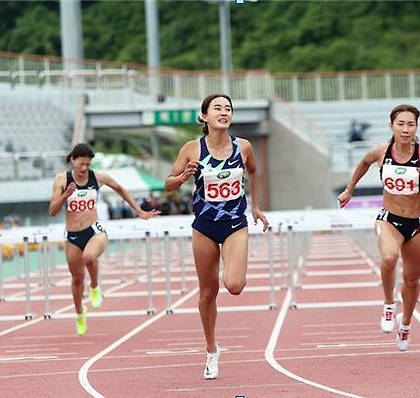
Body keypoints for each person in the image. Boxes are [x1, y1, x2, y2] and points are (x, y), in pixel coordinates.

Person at [165, 94, 269, 379]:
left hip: (236, 223)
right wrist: (185, 176)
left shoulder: (243, 147)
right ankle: (212, 350)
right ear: (204, 117)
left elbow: (255, 172)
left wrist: (256, 206)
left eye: (228, 108)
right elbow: (167, 185)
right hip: (204, 227)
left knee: (234, 285)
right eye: (217, 108)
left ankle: (231, 264)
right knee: (208, 292)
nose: (224, 112)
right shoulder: (192, 149)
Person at [337, 104, 420, 351]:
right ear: (392, 126)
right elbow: (364, 163)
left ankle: (406, 324)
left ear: (416, 127)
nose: (406, 129)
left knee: (412, 279)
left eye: (411, 124)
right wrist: (349, 190)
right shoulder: (381, 152)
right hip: (389, 219)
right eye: (401, 124)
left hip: (418, 224)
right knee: (388, 258)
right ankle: (389, 304)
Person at [49, 143, 160, 336]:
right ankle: (79, 313)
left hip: (94, 230)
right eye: (81, 164)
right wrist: (66, 195)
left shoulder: (97, 178)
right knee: (76, 279)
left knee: (89, 258)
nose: (84, 168)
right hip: (72, 235)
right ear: (73, 161)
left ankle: (94, 286)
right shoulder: (61, 180)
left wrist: (139, 211)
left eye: (88, 164)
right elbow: (52, 211)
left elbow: (120, 189)